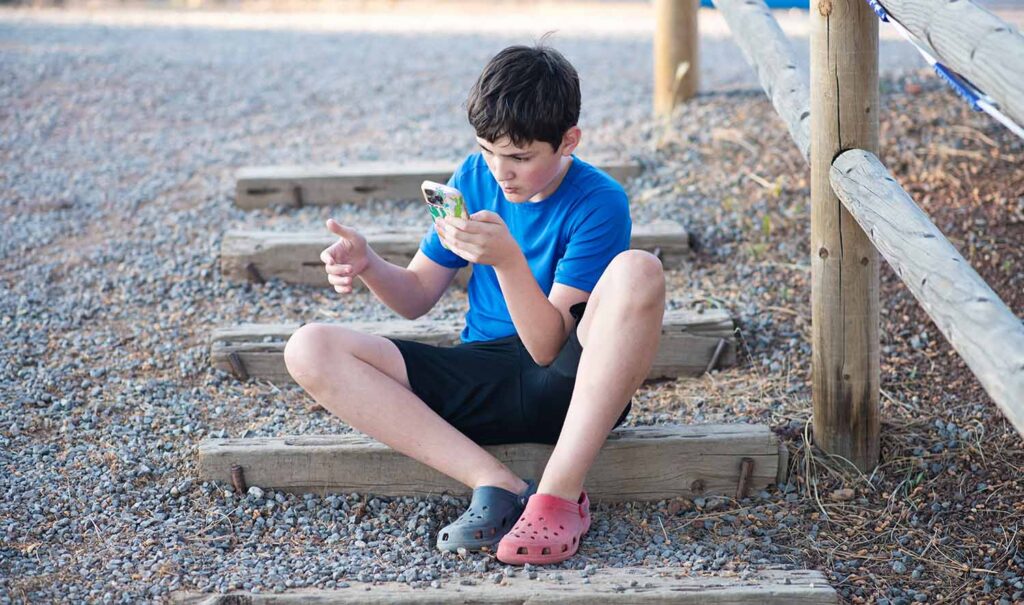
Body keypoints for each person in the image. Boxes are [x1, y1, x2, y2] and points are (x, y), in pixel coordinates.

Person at [283, 42, 665, 566]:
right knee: (309, 347)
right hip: (479, 375)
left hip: (570, 388)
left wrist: (508, 261)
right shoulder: (474, 175)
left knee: (639, 269)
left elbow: (547, 347)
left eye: (520, 156)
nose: (500, 170)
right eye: (488, 149)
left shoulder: (598, 199)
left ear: (568, 141)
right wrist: (369, 262)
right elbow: (417, 296)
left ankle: (558, 495)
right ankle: (494, 481)